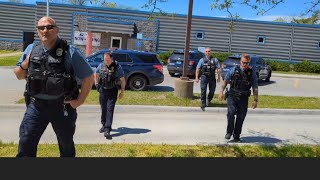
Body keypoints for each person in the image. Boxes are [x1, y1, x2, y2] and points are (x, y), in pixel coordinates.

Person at [13, 16, 94, 157]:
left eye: (49, 27)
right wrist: (25, 63)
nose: (45, 30)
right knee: (26, 142)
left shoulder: (70, 51)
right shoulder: (31, 49)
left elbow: (89, 77)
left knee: (66, 144)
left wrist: (80, 100)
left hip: (62, 107)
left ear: (57, 30)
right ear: (38, 31)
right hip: (36, 106)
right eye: (41, 28)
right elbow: (19, 75)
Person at [218, 53, 258, 142]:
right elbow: (225, 81)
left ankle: (237, 135)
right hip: (232, 95)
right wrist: (221, 91)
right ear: (240, 61)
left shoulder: (252, 73)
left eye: (247, 63)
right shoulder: (233, 70)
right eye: (243, 62)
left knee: (241, 116)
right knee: (231, 113)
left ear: (249, 62)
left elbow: (255, 87)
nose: (245, 64)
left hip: (243, 98)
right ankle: (229, 132)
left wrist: (255, 99)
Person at [94, 52, 126, 139]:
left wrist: (122, 91)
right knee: (103, 108)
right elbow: (96, 73)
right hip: (103, 90)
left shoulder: (117, 67)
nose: (106, 62)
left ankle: (107, 129)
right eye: (105, 60)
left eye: (108, 60)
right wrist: (96, 83)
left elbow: (122, 80)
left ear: (111, 59)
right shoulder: (101, 65)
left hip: (112, 90)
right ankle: (104, 125)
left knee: (109, 109)